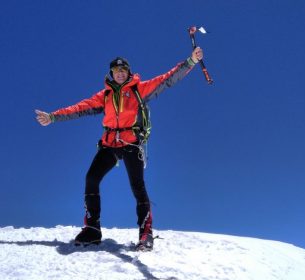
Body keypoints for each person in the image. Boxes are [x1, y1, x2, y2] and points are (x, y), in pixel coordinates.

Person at [35, 47, 203, 250]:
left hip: (132, 143)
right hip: (110, 144)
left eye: (124, 70)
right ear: (111, 74)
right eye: (116, 70)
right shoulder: (104, 96)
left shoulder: (139, 89)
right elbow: (80, 108)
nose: (120, 73)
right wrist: (53, 116)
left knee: (137, 186)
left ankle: (145, 234)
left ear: (129, 72)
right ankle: (92, 230)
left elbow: (167, 79)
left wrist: (191, 61)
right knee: (91, 178)